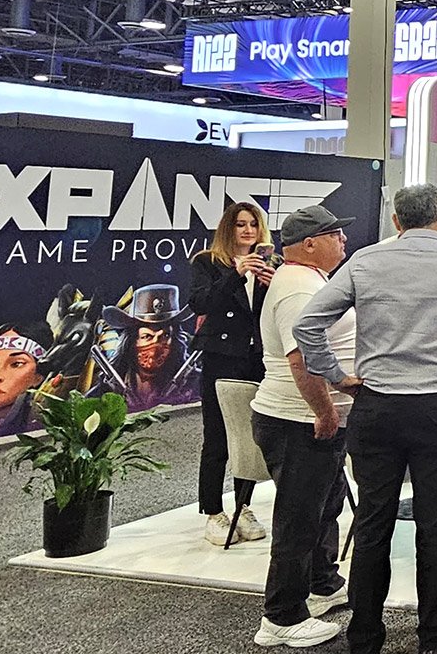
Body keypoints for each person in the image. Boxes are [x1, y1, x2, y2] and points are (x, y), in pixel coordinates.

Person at [294, 183, 437, 654]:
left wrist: (336, 376)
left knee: (373, 525)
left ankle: (364, 637)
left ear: (396, 220)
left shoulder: (365, 261)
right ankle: (434, 638)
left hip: (377, 408)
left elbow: (306, 325)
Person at [249, 204, 356, 650]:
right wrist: (325, 411)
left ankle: (322, 584)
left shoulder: (310, 280)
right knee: (298, 518)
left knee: (325, 506)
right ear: (310, 244)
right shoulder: (297, 287)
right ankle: (281, 617)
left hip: (310, 419)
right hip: (298, 420)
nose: (343, 240)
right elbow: (302, 359)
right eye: (335, 234)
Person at [191, 202, 274, 546]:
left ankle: (243, 506)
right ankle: (213, 511)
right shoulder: (207, 262)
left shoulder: (270, 263)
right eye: (240, 224)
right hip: (221, 357)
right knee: (217, 437)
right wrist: (236, 273)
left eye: (253, 224)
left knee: (250, 436)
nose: (248, 230)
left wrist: (272, 283)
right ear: (229, 228)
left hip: (258, 357)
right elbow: (200, 303)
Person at [101, 284, 196, 409]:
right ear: (132, 342)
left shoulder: (195, 382)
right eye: (147, 336)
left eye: (165, 336)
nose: (156, 344)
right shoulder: (106, 388)